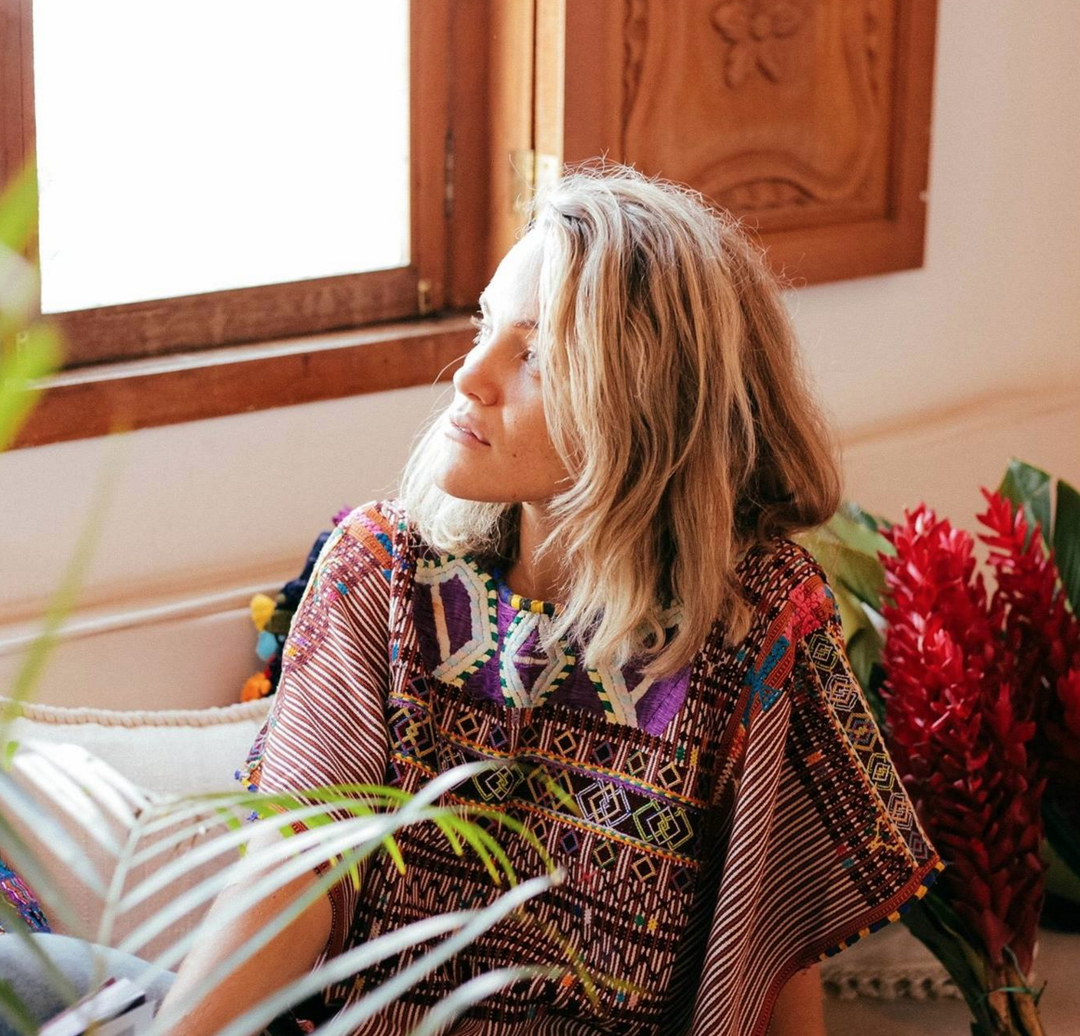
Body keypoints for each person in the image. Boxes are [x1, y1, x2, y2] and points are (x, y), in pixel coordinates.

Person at [6, 161, 944, 1036]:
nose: (470, 376)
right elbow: (294, 876)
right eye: (483, 328)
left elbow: (772, 945)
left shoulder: (758, 625)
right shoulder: (381, 571)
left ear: (647, 401)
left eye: (534, 354)